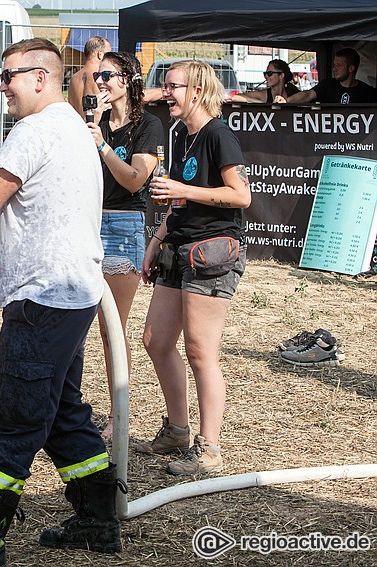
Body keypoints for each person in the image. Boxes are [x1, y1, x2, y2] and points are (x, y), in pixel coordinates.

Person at [0, 38, 121, 567]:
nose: (2, 86)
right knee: (61, 412)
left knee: (14, 420)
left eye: (9, 75)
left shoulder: (33, 131)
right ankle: (98, 522)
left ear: (41, 78)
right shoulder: (75, 128)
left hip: (41, 300)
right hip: (74, 294)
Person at [138, 60, 251, 475]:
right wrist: (155, 242)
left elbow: (242, 197)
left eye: (172, 86)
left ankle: (210, 449)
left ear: (198, 90)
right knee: (155, 339)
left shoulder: (217, 134)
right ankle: (178, 430)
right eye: (164, 86)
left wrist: (183, 189)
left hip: (210, 252)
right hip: (177, 248)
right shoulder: (179, 133)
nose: (165, 93)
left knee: (201, 352)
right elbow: (179, 203)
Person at [87, 51, 163, 442]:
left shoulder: (147, 125)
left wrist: (101, 144)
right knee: (77, 322)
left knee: (111, 328)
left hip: (122, 225)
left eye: (108, 75)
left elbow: (135, 181)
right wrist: (94, 129)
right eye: (97, 74)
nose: (100, 81)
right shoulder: (94, 122)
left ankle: (119, 415)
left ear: (129, 80)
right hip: (86, 222)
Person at [275, 48, 377, 104]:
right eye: (334, 65)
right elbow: (308, 95)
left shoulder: (367, 92)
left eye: (339, 66)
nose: (334, 69)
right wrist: (287, 101)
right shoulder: (328, 85)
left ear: (351, 68)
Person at [68, 36, 110, 119]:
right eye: (108, 54)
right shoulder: (101, 77)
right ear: (100, 54)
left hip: (79, 127)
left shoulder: (74, 78)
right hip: (96, 127)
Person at [231, 59, 299, 103]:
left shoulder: (292, 93)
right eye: (265, 74)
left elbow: (309, 94)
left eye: (269, 74)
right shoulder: (264, 95)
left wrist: (287, 101)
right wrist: (261, 103)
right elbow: (235, 97)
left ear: (281, 76)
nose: (266, 77)